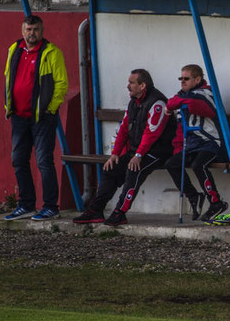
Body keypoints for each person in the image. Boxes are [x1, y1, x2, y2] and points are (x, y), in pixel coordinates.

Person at [73, 69, 176, 226]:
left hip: (158, 152)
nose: (128, 86)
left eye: (131, 83)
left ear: (142, 85)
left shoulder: (158, 103)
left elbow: (152, 134)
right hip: (138, 151)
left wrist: (139, 155)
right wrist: (115, 154)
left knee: (134, 170)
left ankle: (119, 213)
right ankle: (95, 210)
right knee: (110, 169)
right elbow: (124, 129)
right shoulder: (133, 102)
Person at [4, 15, 68, 221]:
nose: (32, 33)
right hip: (19, 117)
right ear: (22, 31)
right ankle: (26, 205)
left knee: (44, 162)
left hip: (42, 118)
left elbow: (61, 84)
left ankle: (50, 207)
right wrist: (9, 106)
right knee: (18, 160)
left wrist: (49, 109)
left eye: (36, 29)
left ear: (42, 31)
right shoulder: (14, 49)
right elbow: (8, 77)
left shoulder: (51, 53)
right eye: (29, 29)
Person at [164, 64, 228, 222]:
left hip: (212, 142)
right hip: (193, 145)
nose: (182, 82)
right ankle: (194, 197)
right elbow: (176, 115)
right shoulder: (184, 96)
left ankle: (216, 202)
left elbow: (195, 105)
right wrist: (178, 149)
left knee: (199, 165)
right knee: (171, 163)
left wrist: (174, 103)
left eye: (186, 78)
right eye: (181, 78)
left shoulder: (205, 93)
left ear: (198, 79)